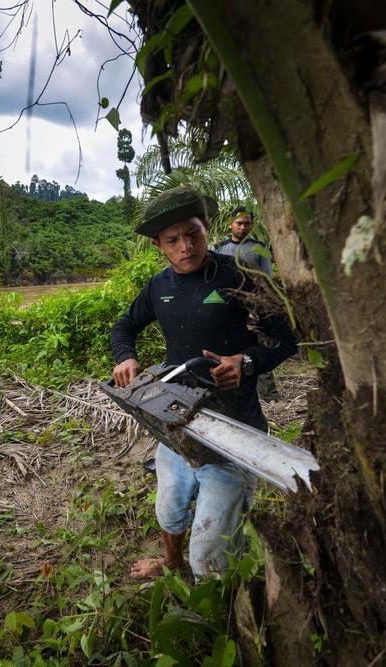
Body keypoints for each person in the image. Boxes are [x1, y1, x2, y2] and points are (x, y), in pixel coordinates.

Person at [110, 186, 297, 579]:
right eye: (172, 240)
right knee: (169, 506)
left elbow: (285, 338)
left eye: (192, 233)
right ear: (159, 246)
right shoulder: (158, 288)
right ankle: (170, 562)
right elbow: (125, 326)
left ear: (207, 227)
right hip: (177, 420)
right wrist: (125, 355)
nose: (185, 246)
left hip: (234, 426)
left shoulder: (240, 279)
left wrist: (244, 361)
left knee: (210, 554)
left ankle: (217, 603)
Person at [212, 207, 280, 401]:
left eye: (247, 223)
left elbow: (268, 278)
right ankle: (229, 392)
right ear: (230, 225)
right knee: (227, 347)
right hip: (227, 306)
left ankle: (269, 395)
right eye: (239, 223)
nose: (242, 227)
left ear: (251, 225)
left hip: (255, 305)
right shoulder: (219, 248)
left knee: (259, 345)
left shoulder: (259, 247)